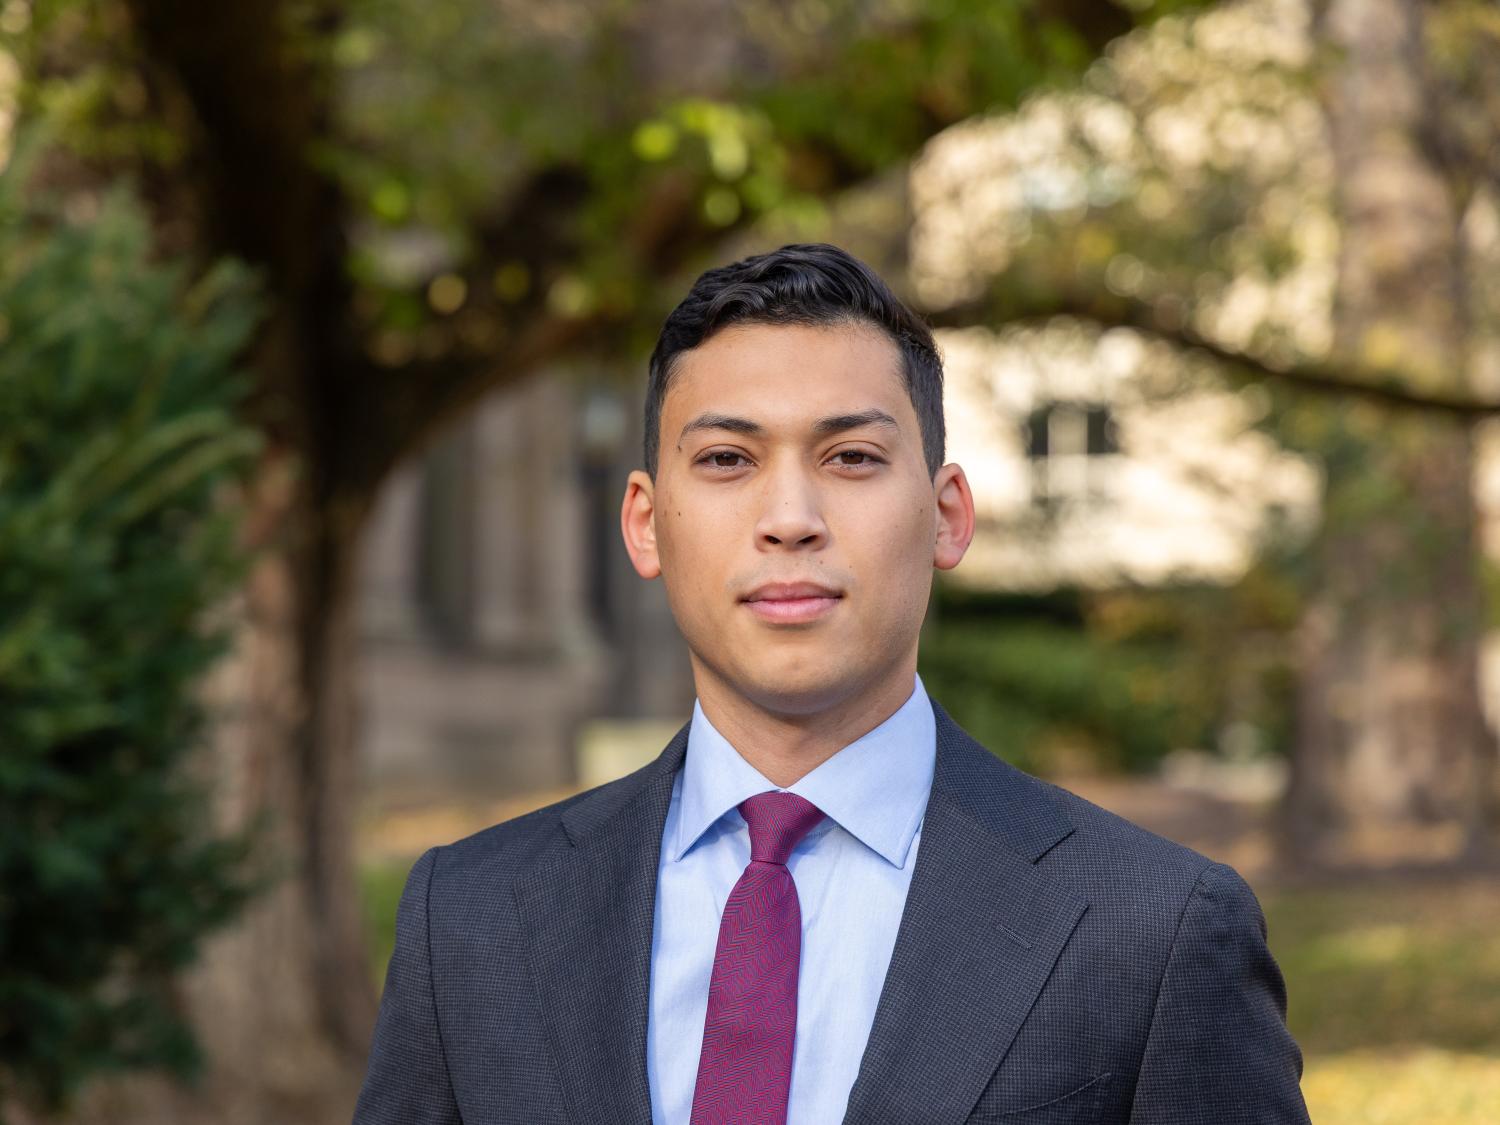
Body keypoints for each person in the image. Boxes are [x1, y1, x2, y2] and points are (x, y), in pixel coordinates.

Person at [352, 243, 1311, 1125]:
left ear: (946, 516)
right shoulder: (470, 919)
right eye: (727, 459)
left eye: (850, 457)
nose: (790, 518)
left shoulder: (1155, 930)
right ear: (645, 523)